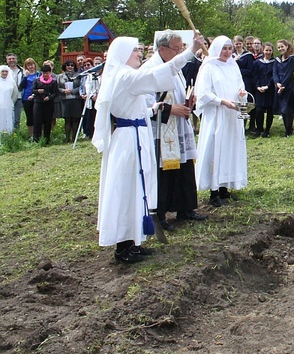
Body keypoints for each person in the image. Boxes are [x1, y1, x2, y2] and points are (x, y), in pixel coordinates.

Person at [92, 35, 200, 263]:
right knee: (128, 189)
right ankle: (123, 247)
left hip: (136, 136)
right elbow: (158, 73)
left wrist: (153, 108)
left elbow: (139, 107)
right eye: (135, 51)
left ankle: (134, 241)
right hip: (129, 141)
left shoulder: (125, 76)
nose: (140, 54)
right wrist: (191, 51)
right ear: (122, 55)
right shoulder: (125, 75)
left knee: (138, 189)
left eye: (140, 50)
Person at [144, 30, 207, 231]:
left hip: (179, 124)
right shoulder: (150, 68)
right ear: (162, 48)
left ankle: (185, 208)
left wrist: (188, 101)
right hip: (162, 129)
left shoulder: (174, 66)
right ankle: (160, 215)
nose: (179, 53)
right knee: (164, 173)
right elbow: (147, 104)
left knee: (184, 167)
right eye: (176, 49)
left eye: (181, 48)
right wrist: (172, 109)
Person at [194, 35, 248, 206]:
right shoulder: (209, 67)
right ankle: (214, 191)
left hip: (232, 116)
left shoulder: (234, 66)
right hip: (217, 115)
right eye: (224, 48)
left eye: (229, 48)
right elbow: (203, 93)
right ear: (217, 48)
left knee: (230, 149)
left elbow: (241, 86)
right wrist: (222, 101)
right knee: (216, 149)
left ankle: (225, 187)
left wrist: (241, 94)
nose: (227, 52)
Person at [273, 39, 294, 137]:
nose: (280, 49)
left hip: (288, 87)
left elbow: (289, 73)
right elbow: (274, 72)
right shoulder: (277, 59)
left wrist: (283, 85)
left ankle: (288, 130)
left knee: (288, 110)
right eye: (278, 47)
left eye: (282, 46)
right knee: (282, 110)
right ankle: (287, 129)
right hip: (279, 87)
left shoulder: (292, 59)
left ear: (287, 46)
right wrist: (277, 82)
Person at [57, 59, 84, 142]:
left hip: (76, 99)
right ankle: (67, 138)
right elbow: (57, 87)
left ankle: (74, 138)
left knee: (75, 118)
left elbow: (81, 86)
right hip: (65, 99)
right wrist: (63, 91)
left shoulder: (79, 75)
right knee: (67, 119)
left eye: (72, 65)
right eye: (68, 65)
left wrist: (72, 91)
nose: (70, 67)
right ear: (65, 66)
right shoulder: (60, 76)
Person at [253, 42, 276, 137]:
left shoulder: (275, 62)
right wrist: (258, 86)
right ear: (263, 50)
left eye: (270, 50)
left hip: (270, 90)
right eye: (266, 50)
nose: (268, 52)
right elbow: (255, 75)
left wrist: (268, 86)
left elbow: (274, 75)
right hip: (259, 90)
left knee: (270, 110)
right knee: (259, 110)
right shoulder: (257, 63)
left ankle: (267, 130)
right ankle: (259, 129)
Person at [32, 63, 58, 143]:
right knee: (37, 121)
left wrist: (49, 97)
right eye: (44, 73)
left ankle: (47, 139)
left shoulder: (53, 82)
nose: (45, 75)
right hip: (38, 103)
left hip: (48, 104)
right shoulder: (37, 80)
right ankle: (36, 139)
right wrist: (37, 91)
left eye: (47, 73)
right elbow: (33, 90)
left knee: (48, 121)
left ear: (50, 73)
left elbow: (55, 93)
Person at [19, 58, 40, 137]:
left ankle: (38, 134)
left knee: (38, 116)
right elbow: (21, 86)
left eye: (32, 64)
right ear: (26, 66)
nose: (31, 66)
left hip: (37, 97)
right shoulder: (25, 75)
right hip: (26, 98)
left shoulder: (38, 74)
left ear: (35, 65)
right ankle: (31, 135)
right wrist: (25, 77)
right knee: (30, 116)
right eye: (28, 65)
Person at [5, 53, 23, 129]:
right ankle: (6, 132)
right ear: (6, 61)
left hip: (19, 96)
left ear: (16, 60)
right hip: (6, 97)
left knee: (17, 117)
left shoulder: (22, 70)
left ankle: (16, 134)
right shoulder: (4, 70)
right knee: (6, 116)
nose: (11, 60)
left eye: (13, 58)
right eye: (9, 59)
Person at [0, 65, 19, 133]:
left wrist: (11, 102)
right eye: (3, 71)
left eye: (6, 71)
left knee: (8, 120)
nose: (4, 73)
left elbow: (15, 93)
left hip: (8, 105)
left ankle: (8, 136)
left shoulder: (12, 82)